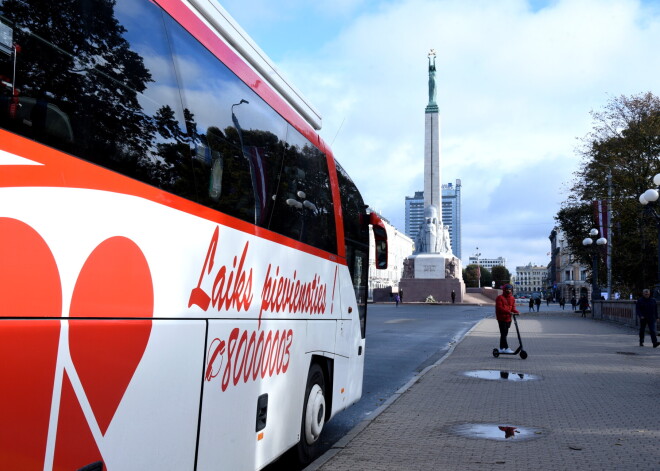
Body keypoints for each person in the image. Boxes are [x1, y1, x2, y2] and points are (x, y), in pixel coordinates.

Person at [495, 284, 519, 353]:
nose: (508, 290)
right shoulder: (499, 298)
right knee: (503, 333)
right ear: (504, 290)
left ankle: (501, 348)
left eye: (510, 289)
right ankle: (506, 348)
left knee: (504, 334)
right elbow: (499, 308)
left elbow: (513, 308)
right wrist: (508, 312)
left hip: (508, 318)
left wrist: (517, 312)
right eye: (507, 289)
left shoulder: (512, 298)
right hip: (501, 318)